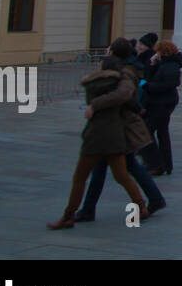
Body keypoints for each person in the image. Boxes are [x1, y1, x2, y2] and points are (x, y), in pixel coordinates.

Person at [47, 55, 150, 229]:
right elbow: (126, 98)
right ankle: (141, 206)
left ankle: (68, 216)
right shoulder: (120, 84)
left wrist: (94, 104)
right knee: (122, 175)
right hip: (115, 135)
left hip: (96, 136)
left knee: (80, 177)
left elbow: (91, 95)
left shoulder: (95, 84)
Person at [72, 38, 166, 222]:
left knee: (119, 169)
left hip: (118, 127)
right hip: (111, 127)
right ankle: (89, 209)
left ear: (114, 53)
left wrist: (95, 105)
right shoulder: (120, 69)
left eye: (109, 49)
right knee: (115, 168)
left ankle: (149, 200)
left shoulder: (125, 72)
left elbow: (124, 95)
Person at [142, 40, 182, 175]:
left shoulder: (171, 65)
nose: (156, 54)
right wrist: (152, 64)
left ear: (164, 52)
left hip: (163, 103)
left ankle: (156, 163)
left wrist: (147, 86)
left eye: (158, 51)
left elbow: (169, 83)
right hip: (159, 102)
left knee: (148, 131)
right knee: (162, 132)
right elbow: (151, 77)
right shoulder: (164, 64)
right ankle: (165, 164)